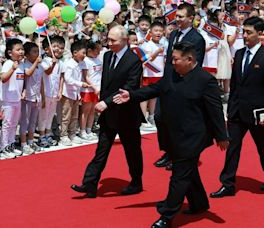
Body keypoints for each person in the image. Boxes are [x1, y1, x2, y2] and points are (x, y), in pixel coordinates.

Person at [113, 42, 229, 228]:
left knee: (179, 175)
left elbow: (215, 110)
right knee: (189, 171)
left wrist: (222, 135)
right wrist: (131, 96)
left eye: (175, 59)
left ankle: (166, 216)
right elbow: (154, 89)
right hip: (172, 134)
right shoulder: (172, 74)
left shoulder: (205, 80)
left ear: (189, 59)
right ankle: (199, 204)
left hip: (192, 137)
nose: (172, 62)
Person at [71, 25, 144, 198]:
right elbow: (106, 83)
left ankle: (136, 182)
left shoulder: (133, 60)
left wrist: (107, 102)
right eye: (108, 39)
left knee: (132, 151)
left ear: (125, 40)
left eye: (113, 40)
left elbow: (130, 88)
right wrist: (101, 100)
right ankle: (90, 184)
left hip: (127, 114)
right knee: (101, 150)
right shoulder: (107, 55)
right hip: (108, 114)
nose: (109, 43)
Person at [210, 16, 264, 198]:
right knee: (231, 148)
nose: (245, 36)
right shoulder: (239, 54)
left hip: (259, 115)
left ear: (260, 33)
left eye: (249, 32)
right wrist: (230, 109)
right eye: (243, 32)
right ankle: (228, 184)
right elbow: (235, 84)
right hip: (236, 112)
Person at [154, 2, 207, 170]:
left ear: (191, 18)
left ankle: (178, 155)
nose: (177, 19)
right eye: (176, 16)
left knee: (177, 121)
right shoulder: (174, 34)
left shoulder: (197, 39)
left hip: (184, 84)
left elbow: (195, 65)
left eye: (181, 16)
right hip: (168, 81)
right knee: (159, 116)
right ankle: (168, 150)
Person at [58, 40, 90, 146]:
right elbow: (68, 79)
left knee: (74, 115)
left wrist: (79, 92)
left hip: (75, 94)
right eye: (83, 53)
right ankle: (63, 135)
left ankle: (72, 134)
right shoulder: (69, 64)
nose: (84, 56)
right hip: (67, 94)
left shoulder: (79, 64)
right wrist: (81, 84)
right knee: (66, 115)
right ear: (75, 53)